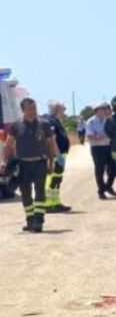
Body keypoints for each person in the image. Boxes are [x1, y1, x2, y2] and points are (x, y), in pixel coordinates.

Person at [2, 98, 58, 232]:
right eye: (29, 109)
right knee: (25, 193)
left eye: (34, 108)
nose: (33, 111)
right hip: (23, 164)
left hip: (40, 162)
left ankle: (38, 221)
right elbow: (8, 145)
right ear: (23, 110)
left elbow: (50, 145)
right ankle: (30, 219)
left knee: (40, 192)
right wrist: (3, 161)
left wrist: (52, 162)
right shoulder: (15, 126)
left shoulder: (44, 124)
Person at [43, 101, 73, 213]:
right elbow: (52, 139)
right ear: (56, 110)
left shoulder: (57, 122)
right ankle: (47, 204)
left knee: (57, 179)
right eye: (63, 109)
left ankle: (55, 202)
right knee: (51, 179)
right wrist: (58, 155)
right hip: (55, 155)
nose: (64, 111)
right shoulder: (51, 122)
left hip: (60, 154)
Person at [85, 102, 116, 199]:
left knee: (113, 169)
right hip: (97, 148)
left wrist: (102, 136)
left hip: (110, 146)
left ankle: (108, 186)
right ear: (97, 111)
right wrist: (103, 136)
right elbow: (91, 136)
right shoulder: (90, 122)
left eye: (106, 109)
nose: (106, 111)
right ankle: (101, 190)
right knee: (100, 169)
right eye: (103, 109)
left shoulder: (110, 121)